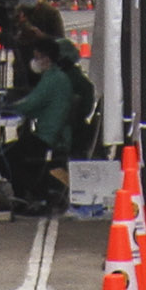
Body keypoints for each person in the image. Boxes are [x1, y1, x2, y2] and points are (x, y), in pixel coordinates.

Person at [7, 36, 90, 216]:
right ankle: (29, 195)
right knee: (11, 150)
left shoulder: (53, 79)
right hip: (54, 133)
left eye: (37, 57)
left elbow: (31, 104)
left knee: (6, 155)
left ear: (47, 58)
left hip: (50, 137)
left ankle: (31, 197)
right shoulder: (56, 77)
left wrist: (6, 106)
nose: (34, 61)